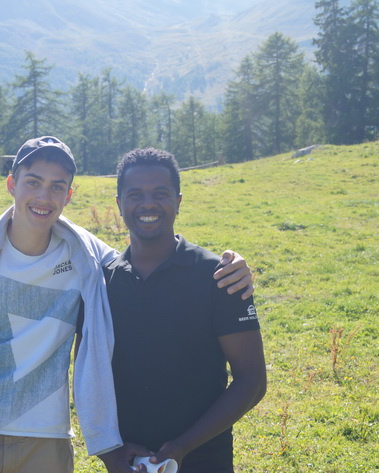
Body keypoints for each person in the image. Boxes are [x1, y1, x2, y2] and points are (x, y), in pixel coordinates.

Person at [0, 137, 254, 473]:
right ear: (12, 184)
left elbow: (144, 258)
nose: (44, 197)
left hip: (49, 442)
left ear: (68, 195)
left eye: (57, 187)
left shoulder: (86, 258)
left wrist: (234, 266)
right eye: (33, 182)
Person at [98, 148, 267, 473]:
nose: (148, 204)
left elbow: (252, 381)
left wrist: (183, 446)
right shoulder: (102, 284)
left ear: (178, 201)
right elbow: (89, 379)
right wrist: (110, 452)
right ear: (119, 204)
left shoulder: (219, 277)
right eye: (135, 195)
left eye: (160, 193)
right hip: (127, 464)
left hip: (205, 461)